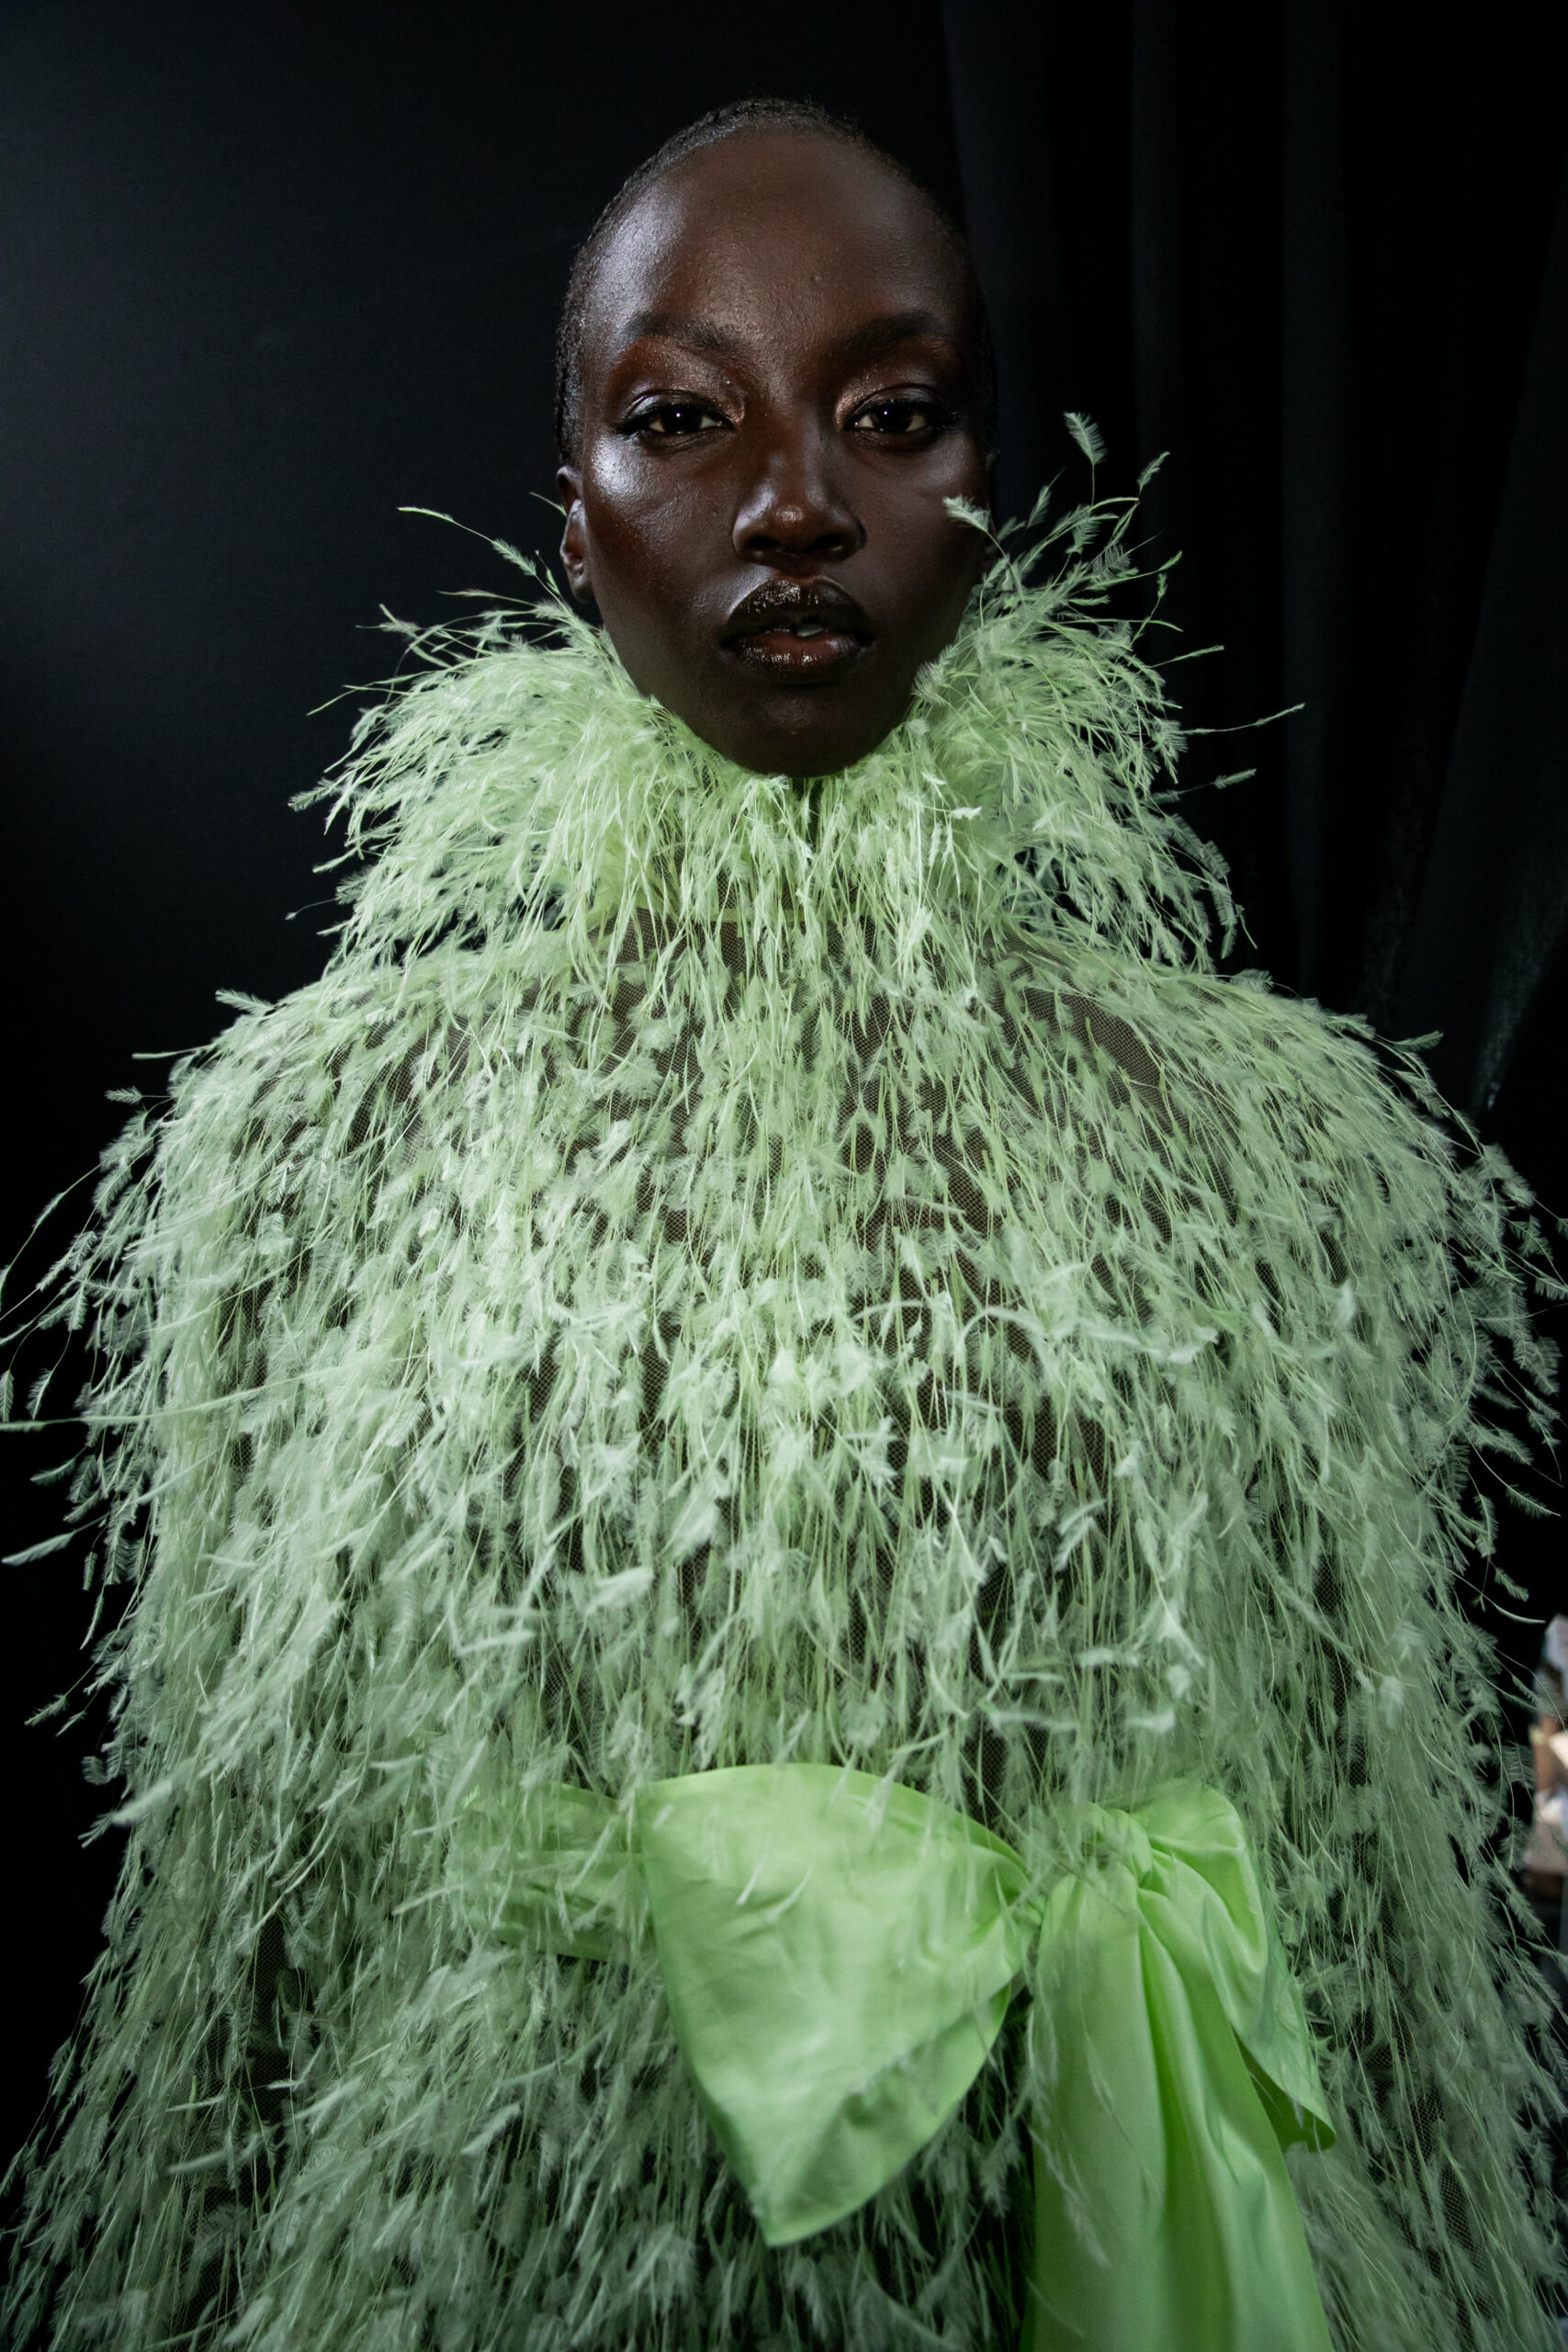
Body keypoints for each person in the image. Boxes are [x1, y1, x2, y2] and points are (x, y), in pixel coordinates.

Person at [4, 98, 1562, 2352]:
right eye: (682, 417)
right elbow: (234, 1908)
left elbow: (1375, 1903)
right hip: (511, 2254)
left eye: (889, 411)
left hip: (1122, 2223)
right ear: (574, 515)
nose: (795, 501)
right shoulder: (323, 1141)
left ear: (984, 489)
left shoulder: (1273, 1151)